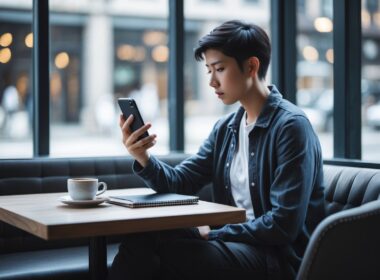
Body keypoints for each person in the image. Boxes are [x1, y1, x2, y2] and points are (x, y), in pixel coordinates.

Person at [108, 20, 325, 280]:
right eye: (209, 70)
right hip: (234, 243)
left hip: (276, 257)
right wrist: (142, 156)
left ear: (251, 66)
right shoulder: (226, 128)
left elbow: (282, 225)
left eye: (219, 69)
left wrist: (213, 232)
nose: (211, 81)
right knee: (143, 237)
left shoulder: (291, 127)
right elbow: (181, 182)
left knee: (172, 254)